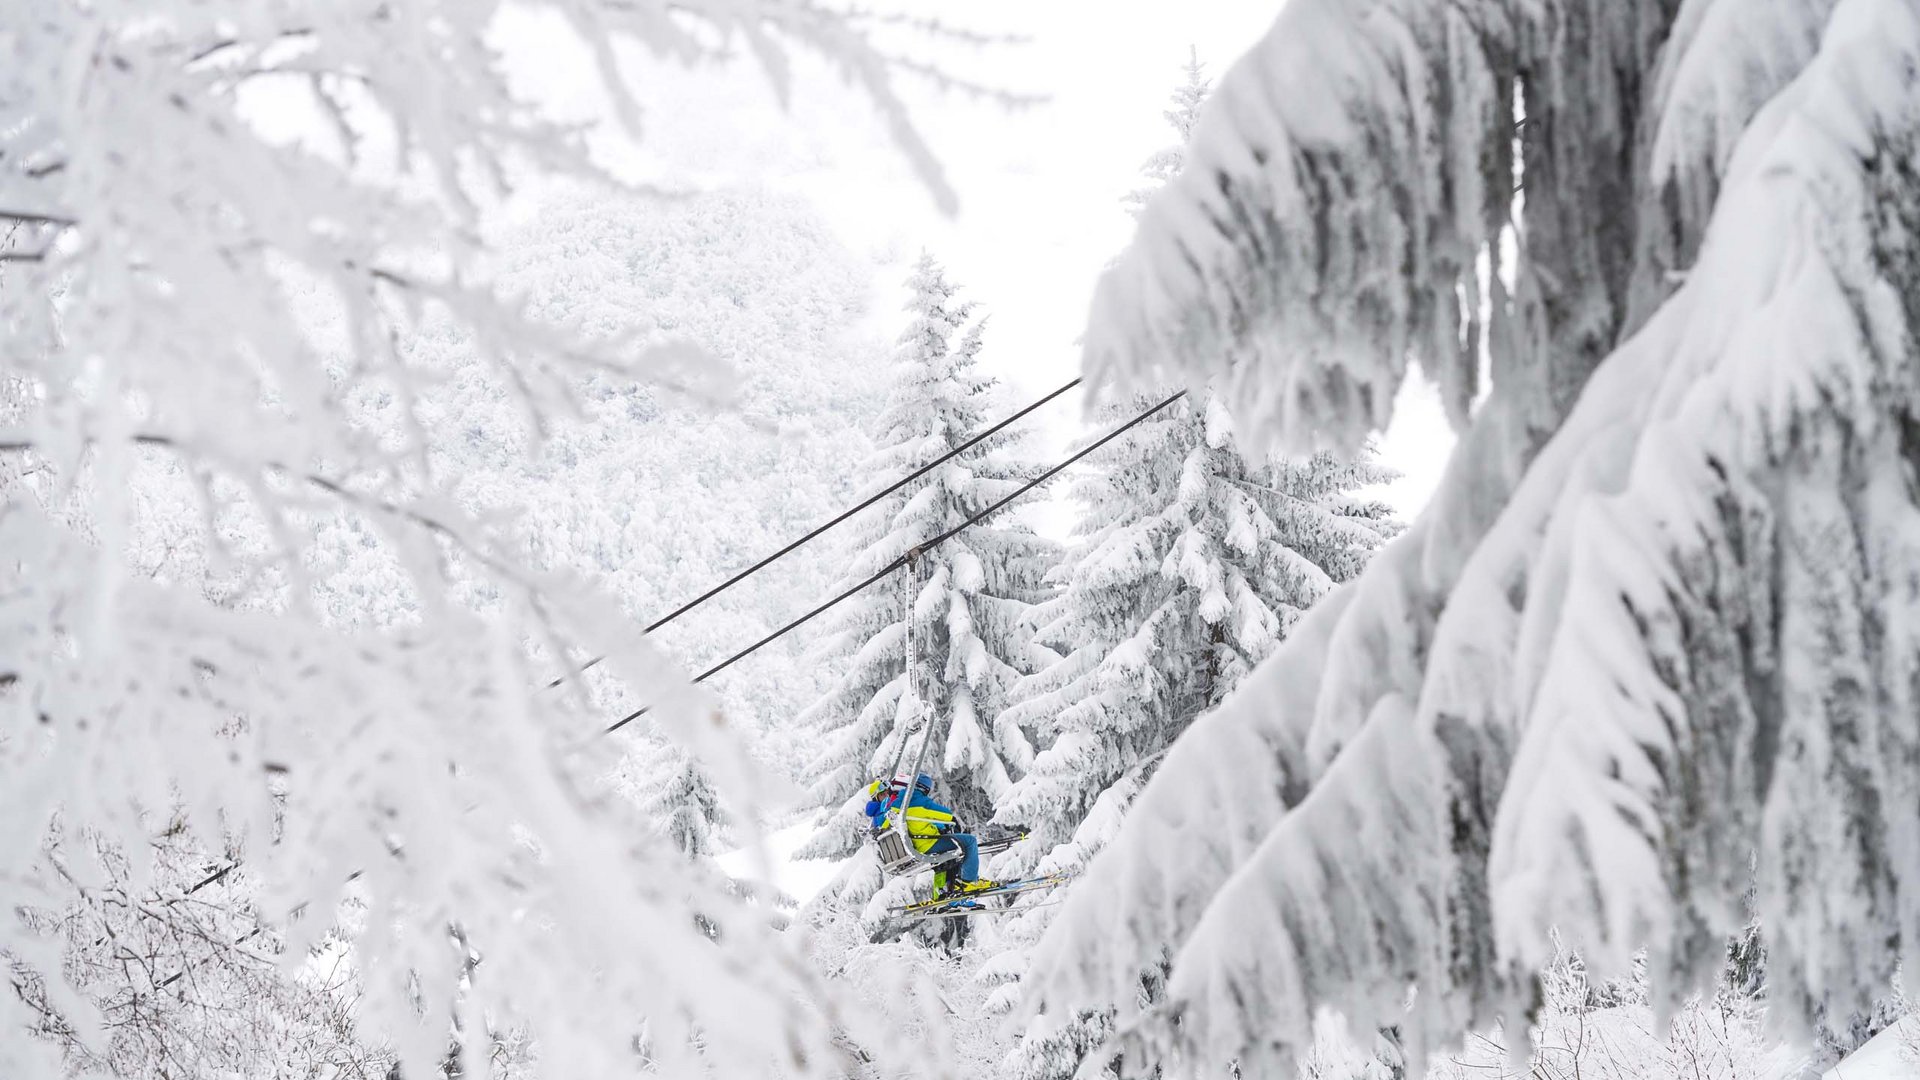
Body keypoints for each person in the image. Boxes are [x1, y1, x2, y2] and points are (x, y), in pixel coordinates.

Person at [865, 773, 998, 897]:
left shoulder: (895, 804)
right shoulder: (919, 800)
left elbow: (883, 821)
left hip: (915, 845)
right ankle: (970, 882)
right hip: (927, 844)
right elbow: (946, 815)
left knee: (949, 857)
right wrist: (951, 822)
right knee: (969, 842)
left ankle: (942, 893)